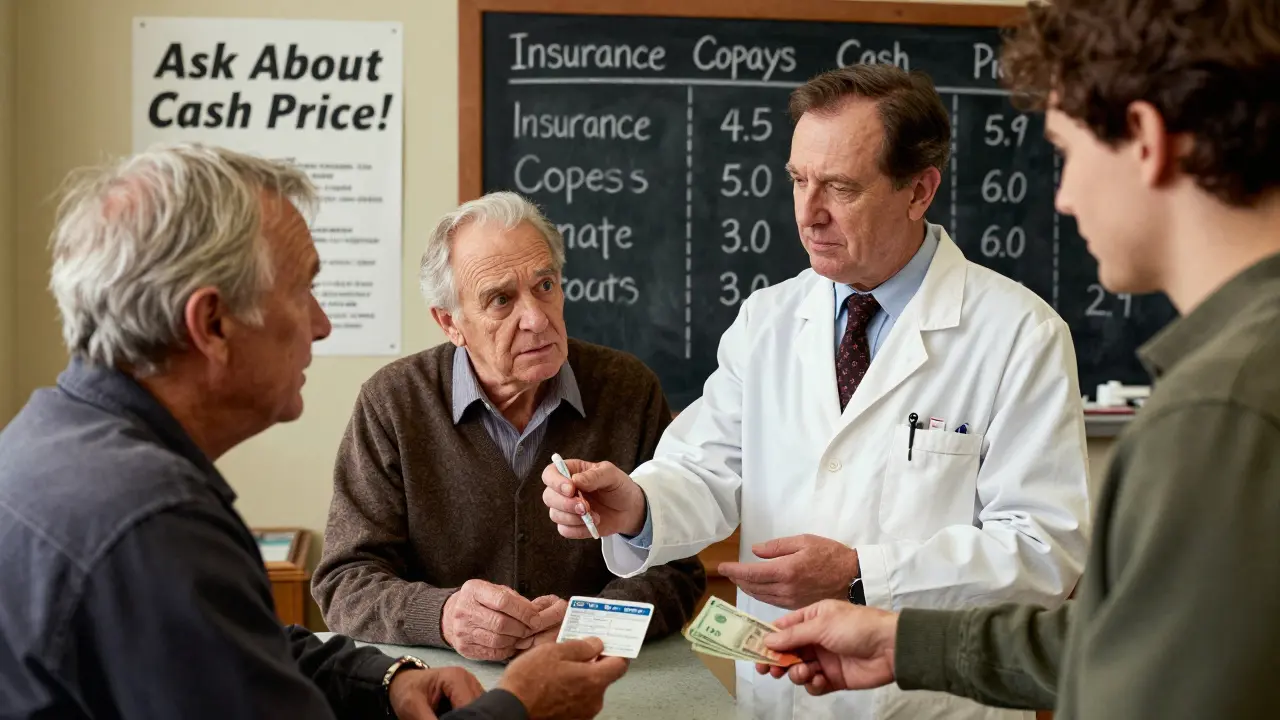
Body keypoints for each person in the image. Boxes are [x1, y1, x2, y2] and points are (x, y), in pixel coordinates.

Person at [754, 1, 1280, 718]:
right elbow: (1124, 639)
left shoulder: (1217, 412)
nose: (1060, 198)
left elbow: (1150, 684)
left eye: (1066, 151)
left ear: (1144, 140)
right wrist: (908, 644)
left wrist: (870, 584)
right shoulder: (1238, 377)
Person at [0, 143, 628, 720]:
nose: (323, 325)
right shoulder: (150, 523)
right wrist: (520, 707)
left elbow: (246, 647)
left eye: (545, 285)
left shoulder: (51, 443)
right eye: (302, 290)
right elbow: (338, 584)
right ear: (213, 324)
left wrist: (384, 680)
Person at [541, 64, 1093, 719]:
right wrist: (636, 503)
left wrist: (864, 573)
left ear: (919, 190)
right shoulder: (767, 319)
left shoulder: (1017, 334)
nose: (810, 214)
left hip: (930, 703)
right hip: (781, 696)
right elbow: (707, 468)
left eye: (840, 187)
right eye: (799, 181)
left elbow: (1043, 552)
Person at [311, 191, 705, 661]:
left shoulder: (628, 390)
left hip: (593, 681)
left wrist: (591, 622)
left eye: (545, 286)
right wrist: (443, 615)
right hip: (442, 688)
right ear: (450, 323)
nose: (537, 319)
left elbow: (679, 570)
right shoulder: (394, 403)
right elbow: (344, 583)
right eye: (501, 299)